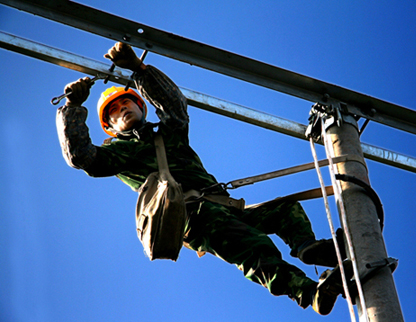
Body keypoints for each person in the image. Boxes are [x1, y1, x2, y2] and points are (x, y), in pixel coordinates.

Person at [56, 42, 344, 315]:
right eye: (115, 112)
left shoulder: (169, 133)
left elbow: (175, 106)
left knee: (284, 210)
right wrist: (72, 108)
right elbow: (82, 158)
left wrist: (139, 70)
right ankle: (310, 293)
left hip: (223, 205)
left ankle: (308, 248)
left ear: (141, 107)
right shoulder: (119, 153)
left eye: (126, 104)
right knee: (254, 248)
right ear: (110, 127)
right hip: (192, 215)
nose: (122, 110)